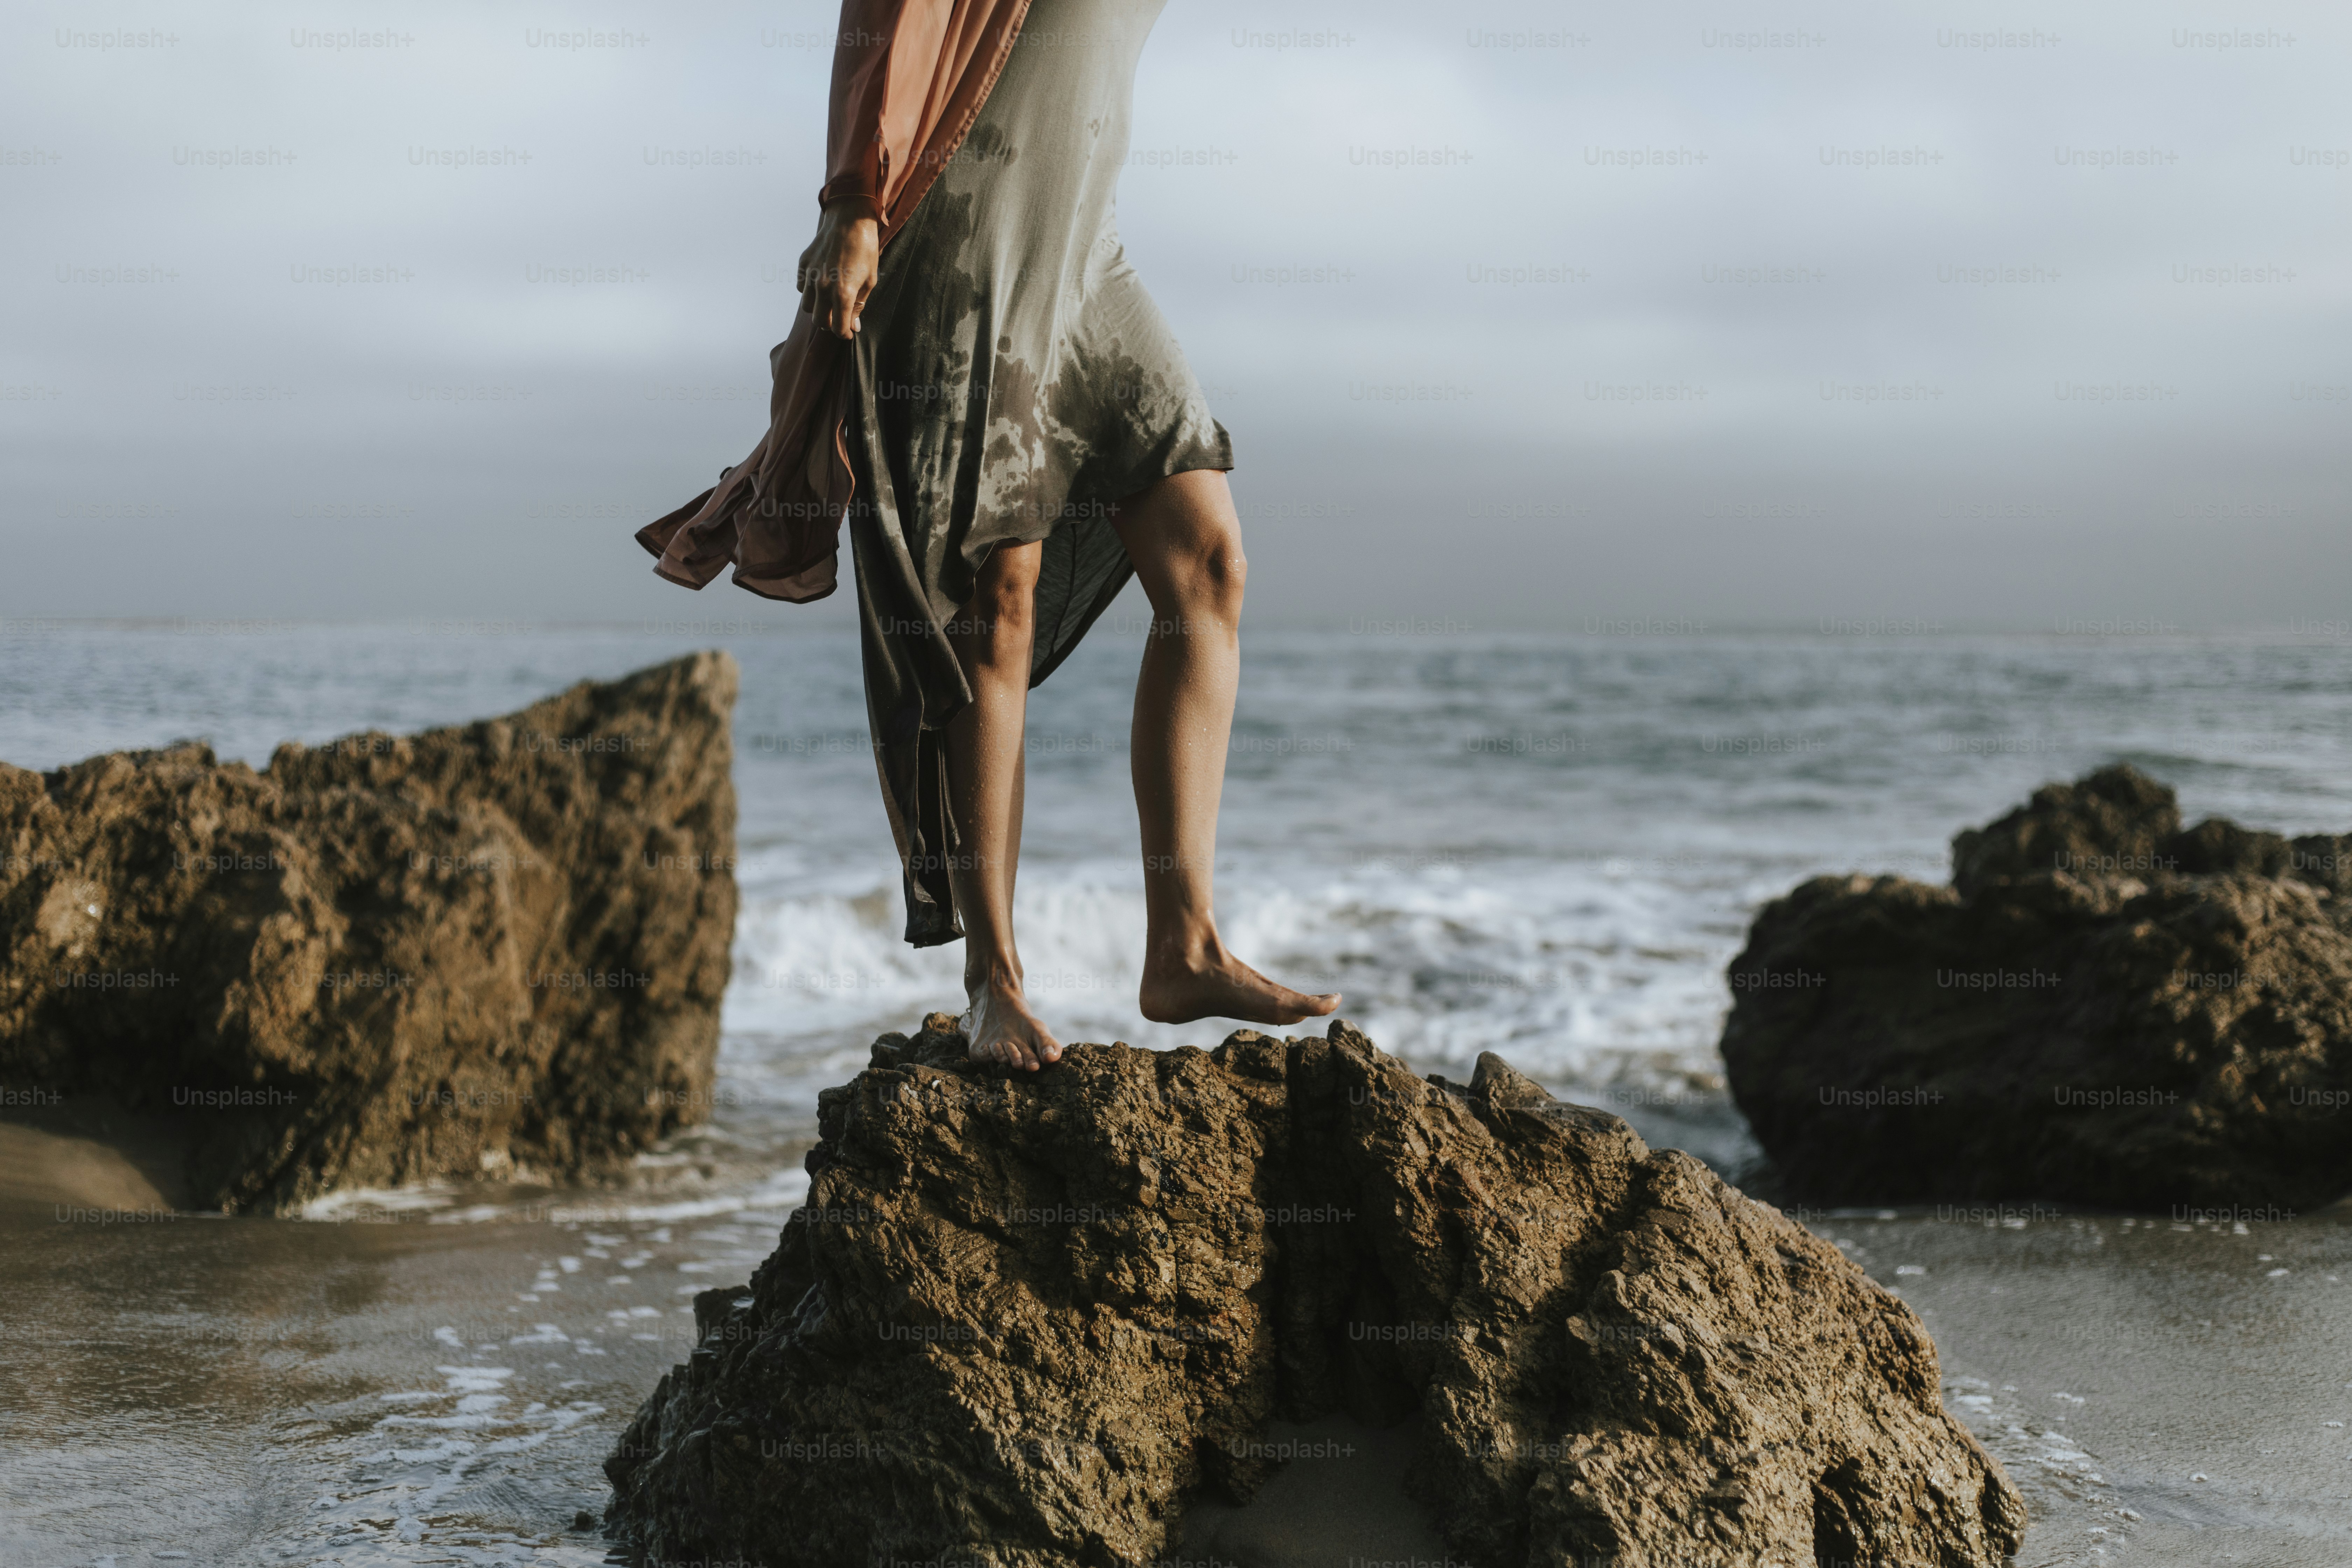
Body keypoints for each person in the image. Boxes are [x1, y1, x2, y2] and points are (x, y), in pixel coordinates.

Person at [643, 0, 1337, 1070]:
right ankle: (994, 983)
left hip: (1083, 255)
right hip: (961, 223)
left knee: (1208, 564)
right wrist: (854, 201)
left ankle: (1182, 944)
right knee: (991, 596)